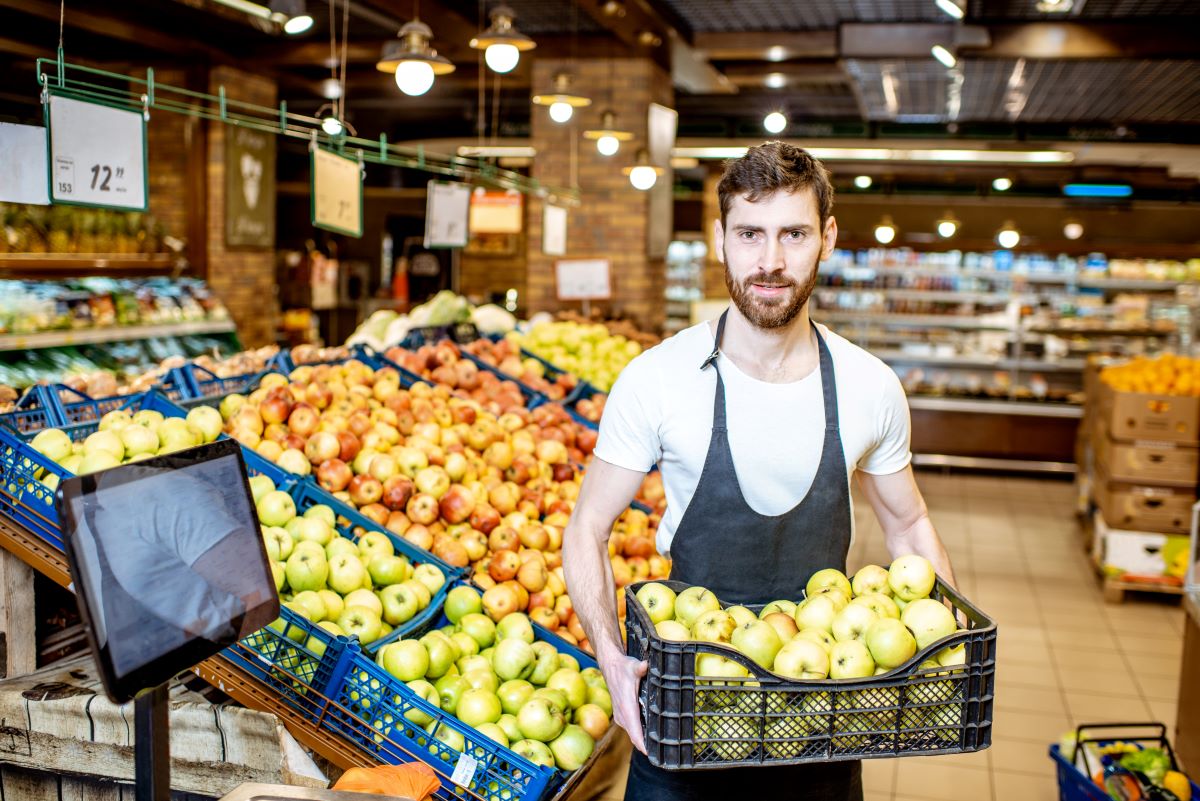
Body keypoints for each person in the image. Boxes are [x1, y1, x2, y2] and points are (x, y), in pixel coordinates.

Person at [562, 141, 958, 800]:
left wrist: (940, 649)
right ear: (720, 239)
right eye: (750, 233)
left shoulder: (869, 386)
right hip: (684, 720)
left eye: (793, 234)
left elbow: (911, 524)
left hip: (822, 720)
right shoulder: (658, 378)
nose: (770, 262)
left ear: (827, 237)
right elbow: (586, 529)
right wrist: (609, 654)